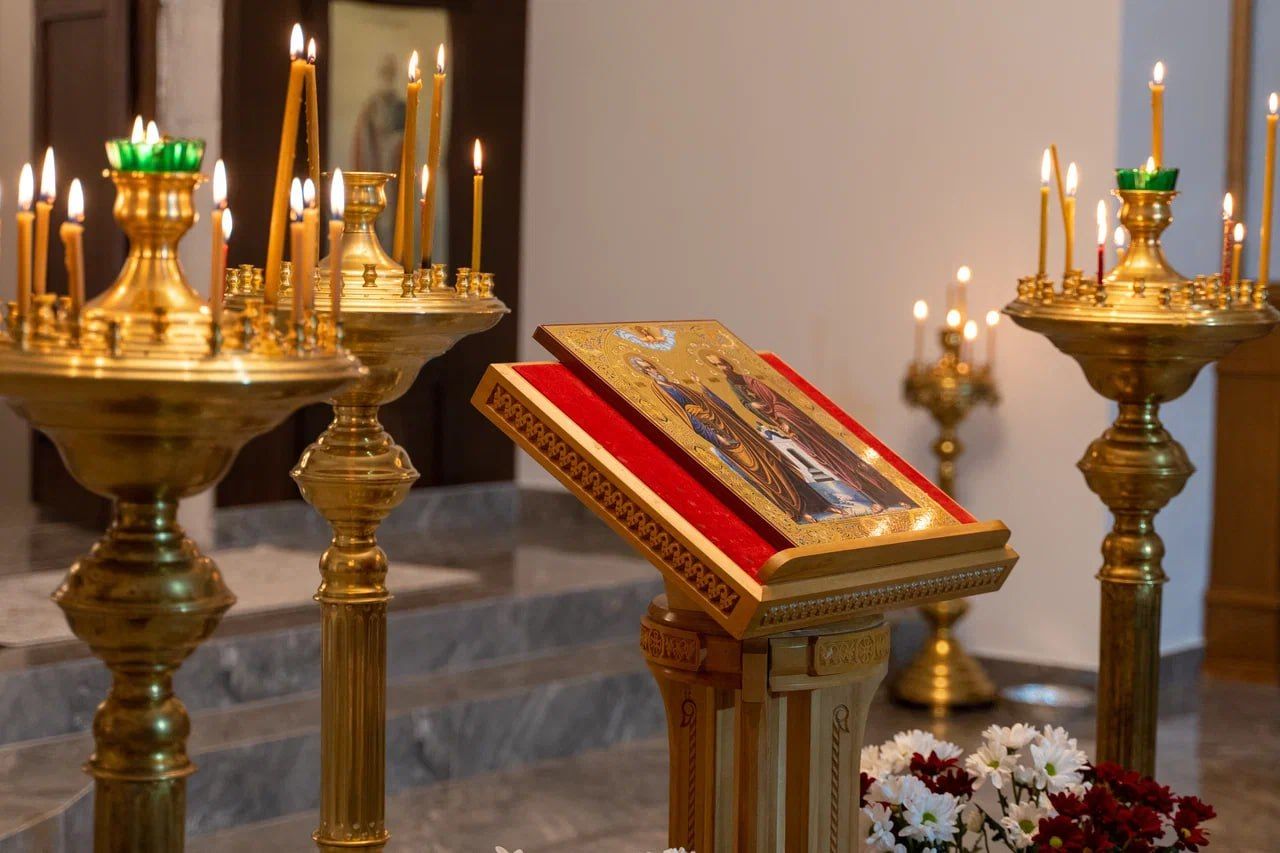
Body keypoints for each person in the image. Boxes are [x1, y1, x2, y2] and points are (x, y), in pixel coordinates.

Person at [629, 356, 833, 523]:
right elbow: (688, 418)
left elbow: (713, 404)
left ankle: (818, 504)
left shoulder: (676, 385)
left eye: (651, 367)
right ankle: (796, 511)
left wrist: (703, 388)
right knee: (761, 472)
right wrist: (715, 436)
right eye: (647, 370)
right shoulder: (662, 391)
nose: (652, 371)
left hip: (734, 428)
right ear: (644, 373)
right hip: (722, 435)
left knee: (773, 461)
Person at [703, 352, 914, 510]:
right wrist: (756, 408)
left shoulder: (751, 381)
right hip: (791, 431)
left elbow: (778, 402)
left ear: (729, 363)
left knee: (848, 463)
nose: (722, 368)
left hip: (800, 425)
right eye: (716, 366)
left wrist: (783, 419)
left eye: (722, 363)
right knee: (832, 467)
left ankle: (892, 498)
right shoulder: (733, 385)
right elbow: (748, 405)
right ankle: (875, 500)